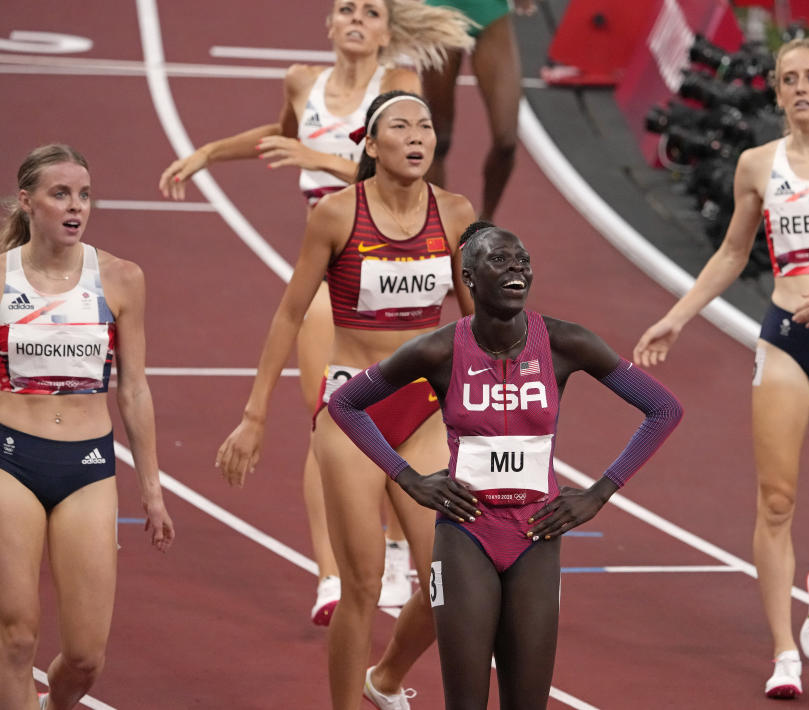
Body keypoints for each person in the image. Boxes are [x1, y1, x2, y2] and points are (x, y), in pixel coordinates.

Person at [158, 0, 474, 622]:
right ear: (328, 25)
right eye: (346, 9)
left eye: (372, 12)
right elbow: (281, 137)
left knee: (408, 402)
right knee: (327, 413)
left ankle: (394, 540)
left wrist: (326, 162)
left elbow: (397, 165)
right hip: (332, 260)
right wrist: (210, 152)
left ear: (388, 32)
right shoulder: (303, 81)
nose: (357, 19)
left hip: (396, 253)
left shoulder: (398, 86)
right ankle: (331, 575)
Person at [633, 37, 809, 699]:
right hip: (784, 338)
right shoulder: (758, 165)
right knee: (778, 500)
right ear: (779, 90)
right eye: (789, 79)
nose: (799, 88)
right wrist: (679, 314)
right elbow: (733, 253)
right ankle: (784, 651)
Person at [328, 222, 683, 709]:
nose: (517, 267)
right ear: (468, 277)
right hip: (465, 536)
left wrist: (600, 492)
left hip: (537, 535)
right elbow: (345, 403)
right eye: (500, 260)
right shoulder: (440, 349)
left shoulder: (565, 342)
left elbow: (664, 409)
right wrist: (407, 478)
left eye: (524, 260)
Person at [217, 91, 476, 709]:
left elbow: (477, 322)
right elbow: (287, 315)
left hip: (427, 411)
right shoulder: (336, 216)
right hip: (355, 409)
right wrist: (254, 415)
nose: (417, 136)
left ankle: (384, 681)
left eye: (426, 127)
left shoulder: (458, 213)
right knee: (360, 585)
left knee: (452, 580)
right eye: (400, 126)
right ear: (370, 143)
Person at [0, 144, 175, 710]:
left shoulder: (121, 279)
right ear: (28, 203)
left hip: (87, 467)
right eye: (60, 194)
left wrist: (152, 489)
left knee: (84, 657)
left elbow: (134, 387)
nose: (76, 207)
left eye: (84, 195)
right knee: (16, 638)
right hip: (9, 458)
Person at [422, 0, 538, 220]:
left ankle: (484, 222)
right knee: (438, 139)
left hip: (489, 10)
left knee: (506, 140)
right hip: (439, 10)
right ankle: (435, 228)